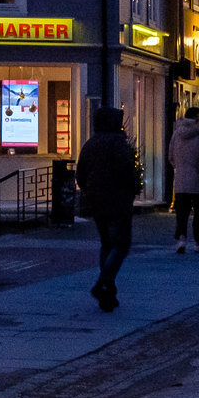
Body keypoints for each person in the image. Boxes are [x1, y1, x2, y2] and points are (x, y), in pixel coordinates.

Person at [76, 106, 141, 311]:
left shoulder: (90, 144)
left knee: (106, 243)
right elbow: (127, 170)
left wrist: (88, 192)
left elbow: (80, 174)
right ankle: (103, 281)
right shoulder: (117, 144)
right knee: (121, 245)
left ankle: (108, 293)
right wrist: (134, 188)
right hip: (118, 200)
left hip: (97, 201)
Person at [168, 107, 199, 254]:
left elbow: (171, 156)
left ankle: (181, 239)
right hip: (198, 180)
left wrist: (179, 167)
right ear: (195, 118)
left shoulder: (176, 134)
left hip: (181, 180)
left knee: (182, 213)